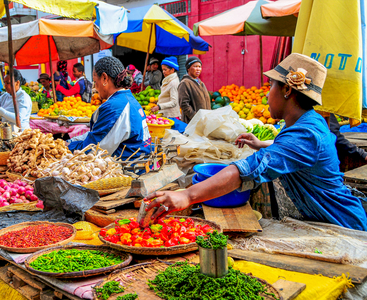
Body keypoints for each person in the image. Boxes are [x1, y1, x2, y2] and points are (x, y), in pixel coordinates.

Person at [145, 53, 367, 231]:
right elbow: (292, 153)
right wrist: (261, 143)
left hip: (343, 227)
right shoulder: (305, 122)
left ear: (288, 90)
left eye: (271, 85)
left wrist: (186, 195)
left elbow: (248, 169)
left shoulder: (306, 133)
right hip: (324, 219)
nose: (268, 93)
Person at [66, 56, 151, 160]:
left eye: (95, 81)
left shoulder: (114, 107)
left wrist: (67, 147)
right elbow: (99, 134)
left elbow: (93, 149)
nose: (95, 87)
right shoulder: (128, 98)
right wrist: (72, 141)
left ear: (104, 78)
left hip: (130, 167)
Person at [178, 57, 211, 123]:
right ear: (188, 68)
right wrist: (195, 117)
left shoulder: (201, 83)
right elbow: (184, 104)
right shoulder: (185, 83)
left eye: (199, 66)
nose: (198, 69)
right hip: (192, 123)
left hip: (204, 121)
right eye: (195, 66)